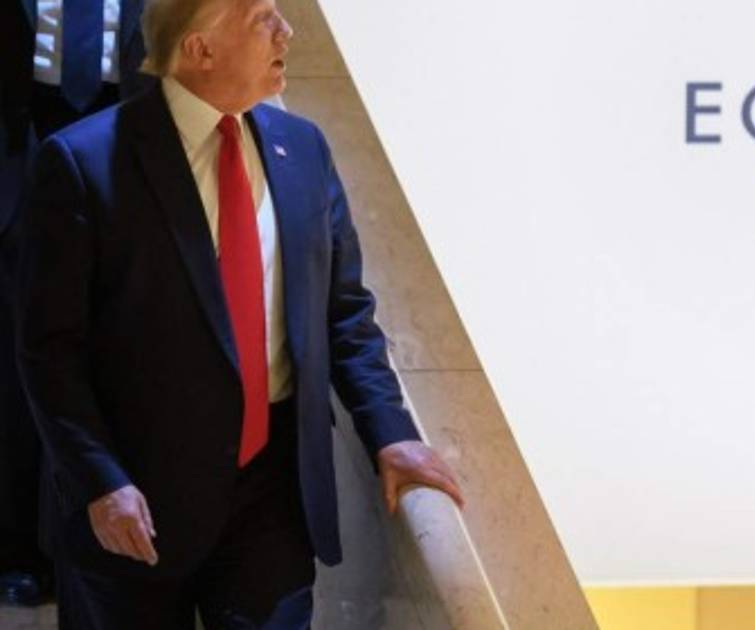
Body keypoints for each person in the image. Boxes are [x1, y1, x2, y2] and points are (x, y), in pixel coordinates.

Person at [17, 0, 465, 627]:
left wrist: (391, 432)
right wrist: (99, 478)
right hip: (134, 501)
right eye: (262, 18)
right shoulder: (82, 161)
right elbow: (50, 349)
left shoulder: (304, 149)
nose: (287, 31)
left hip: (271, 498)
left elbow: (344, 315)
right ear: (200, 49)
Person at [0, 0, 149, 607]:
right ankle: (20, 550)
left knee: (114, 361)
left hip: (126, 140)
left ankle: (99, 544)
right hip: (20, 142)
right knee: (17, 370)